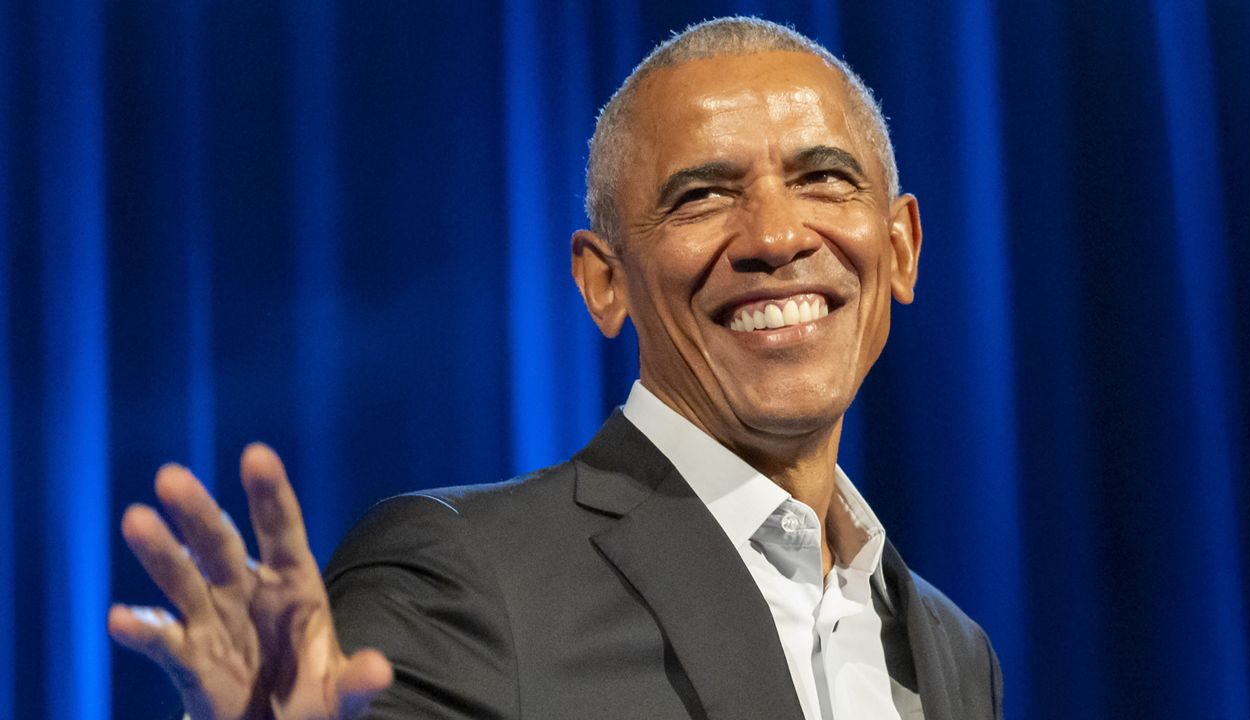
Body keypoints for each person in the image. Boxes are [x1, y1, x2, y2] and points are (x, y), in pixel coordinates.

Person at [109, 16, 1003, 720]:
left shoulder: (953, 649)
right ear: (603, 281)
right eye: (702, 195)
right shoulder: (462, 575)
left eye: (823, 180)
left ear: (901, 249)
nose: (774, 237)